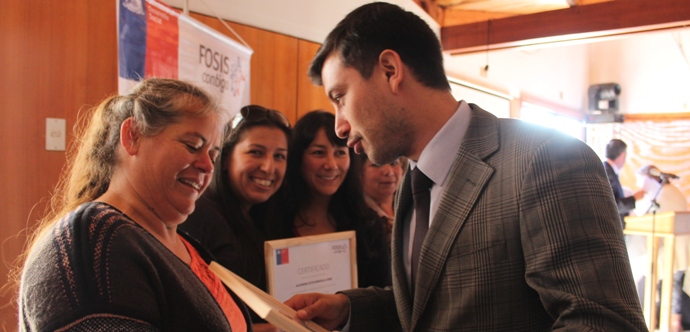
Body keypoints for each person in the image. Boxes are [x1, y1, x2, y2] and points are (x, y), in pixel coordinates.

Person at [285, 3, 647, 331]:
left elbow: (604, 323)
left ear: (391, 70)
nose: (339, 126)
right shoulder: (414, 181)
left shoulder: (546, 159)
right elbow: (428, 306)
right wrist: (349, 309)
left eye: (340, 98)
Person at [17, 78, 252, 331]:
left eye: (213, 155)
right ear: (133, 136)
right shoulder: (94, 246)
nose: (207, 166)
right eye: (192, 146)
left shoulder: (175, 242)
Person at [179, 105, 291, 331]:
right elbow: (185, 313)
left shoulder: (262, 218)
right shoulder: (199, 214)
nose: (269, 167)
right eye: (256, 152)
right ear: (226, 158)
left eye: (279, 156)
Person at [267, 110, 390, 289]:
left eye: (340, 153)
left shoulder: (368, 227)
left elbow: (383, 296)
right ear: (297, 158)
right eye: (318, 153)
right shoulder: (270, 219)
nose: (331, 165)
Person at [358, 154, 406, 246]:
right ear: (359, 171)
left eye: (393, 163)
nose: (388, 172)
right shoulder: (357, 219)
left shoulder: (413, 207)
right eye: (376, 164)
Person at [603, 139, 645, 228]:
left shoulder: (608, 170)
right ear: (622, 155)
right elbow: (610, 205)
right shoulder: (607, 172)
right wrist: (634, 198)